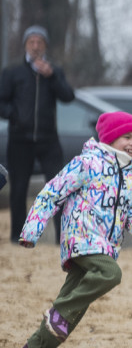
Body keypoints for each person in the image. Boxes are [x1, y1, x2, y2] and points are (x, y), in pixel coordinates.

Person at [15, 112, 132, 348]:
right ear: (110, 138)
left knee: (76, 304)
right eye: (127, 137)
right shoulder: (87, 163)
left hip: (107, 244)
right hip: (81, 237)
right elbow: (52, 193)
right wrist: (31, 230)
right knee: (110, 274)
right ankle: (58, 311)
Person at [0, 25, 76, 243]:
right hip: (19, 139)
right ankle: (18, 236)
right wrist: (14, 115)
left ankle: (61, 237)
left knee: (58, 188)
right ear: (25, 45)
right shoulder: (13, 71)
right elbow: (1, 102)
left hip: (48, 139)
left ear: (45, 46)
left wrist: (52, 76)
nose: (35, 46)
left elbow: (68, 96)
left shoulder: (54, 71)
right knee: (18, 188)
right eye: (31, 42)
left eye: (39, 42)